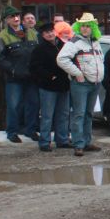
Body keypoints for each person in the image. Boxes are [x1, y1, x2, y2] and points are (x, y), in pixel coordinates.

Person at [56, 13, 105, 156]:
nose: (85, 28)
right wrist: (77, 73)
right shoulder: (74, 42)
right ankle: (78, 144)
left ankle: (87, 142)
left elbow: (100, 60)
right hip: (81, 84)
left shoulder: (96, 42)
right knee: (79, 114)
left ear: (92, 27)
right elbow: (61, 59)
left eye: (88, 26)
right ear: (79, 27)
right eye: (82, 25)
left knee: (89, 114)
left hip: (95, 83)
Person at [0, 6, 38, 143]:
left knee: (33, 104)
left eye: (17, 15)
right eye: (12, 16)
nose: (16, 18)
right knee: (13, 105)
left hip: (31, 76)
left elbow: (37, 52)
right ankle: (12, 131)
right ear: (7, 20)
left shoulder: (31, 32)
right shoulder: (2, 36)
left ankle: (31, 130)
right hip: (14, 77)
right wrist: (12, 70)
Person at [29, 22, 71, 151]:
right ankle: (45, 142)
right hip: (48, 86)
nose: (50, 34)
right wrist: (49, 76)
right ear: (42, 35)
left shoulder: (64, 45)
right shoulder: (39, 49)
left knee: (63, 114)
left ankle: (62, 139)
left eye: (51, 31)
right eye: (46, 33)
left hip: (64, 85)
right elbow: (34, 67)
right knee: (47, 116)